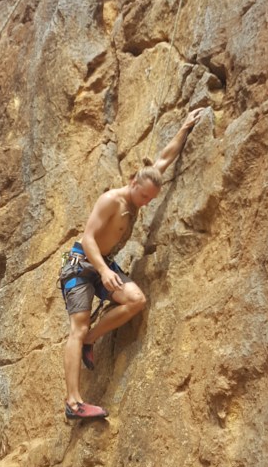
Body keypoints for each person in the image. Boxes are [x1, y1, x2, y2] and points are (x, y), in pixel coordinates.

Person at [60, 108, 204, 421]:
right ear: (132, 182)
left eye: (151, 199)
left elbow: (163, 159)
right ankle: (73, 403)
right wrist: (103, 271)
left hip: (104, 265)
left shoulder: (144, 185)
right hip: (80, 265)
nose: (146, 203)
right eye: (144, 197)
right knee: (77, 326)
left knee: (136, 300)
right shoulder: (111, 200)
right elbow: (88, 238)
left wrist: (185, 127)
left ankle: (91, 339)